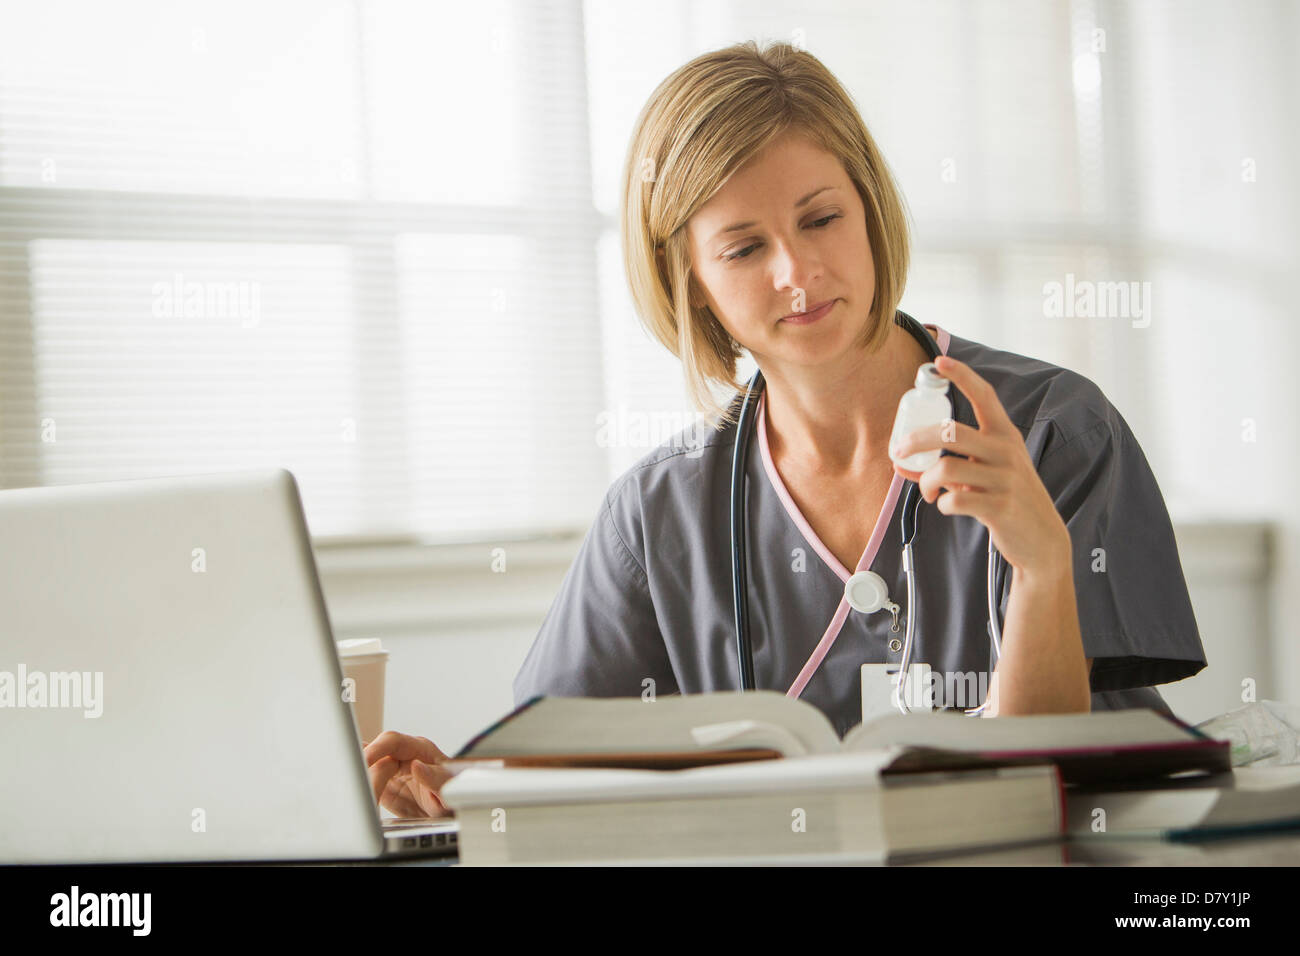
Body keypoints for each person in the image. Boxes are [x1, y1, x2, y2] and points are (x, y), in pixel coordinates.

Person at [368, 40, 1207, 818]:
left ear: (870, 210)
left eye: (821, 219)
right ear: (691, 281)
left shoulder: (1056, 429)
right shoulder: (660, 512)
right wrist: (460, 782)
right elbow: (577, 756)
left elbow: (1043, 773)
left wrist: (1041, 564)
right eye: (741, 248)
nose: (797, 272)